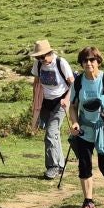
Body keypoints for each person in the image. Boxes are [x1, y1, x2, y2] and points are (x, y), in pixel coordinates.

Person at [66, 45, 104, 208]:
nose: (88, 63)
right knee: (84, 166)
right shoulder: (78, 82)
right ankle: (88, 202)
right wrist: (75, 122)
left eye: (92, 59)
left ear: (98, 61)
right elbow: (73, 106)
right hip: (84, 130)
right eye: (85, 60)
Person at [28, 38, 73, 181]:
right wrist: (36, 102)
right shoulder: (38, 64)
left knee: (51, 133)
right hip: (45, 102)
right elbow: (36, 82)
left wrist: (66, 99)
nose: (42, 60)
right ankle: (60, 164)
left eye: (43, 56)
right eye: (39, 57)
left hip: (61, 101)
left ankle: (52, 166)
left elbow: (73, 83)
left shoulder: (61, 63)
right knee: (55, 134)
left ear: (50, 52)